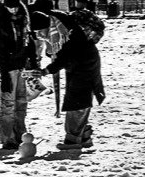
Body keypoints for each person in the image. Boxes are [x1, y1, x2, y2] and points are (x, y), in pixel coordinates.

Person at [45, 11, 105, 149]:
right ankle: (84, 135)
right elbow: (63, 55)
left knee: (77, 106)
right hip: (84, 75)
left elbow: (64, 57)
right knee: (79, 104)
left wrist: (47, 70)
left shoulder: (76, 40)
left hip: (82, 75)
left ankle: (73, 139)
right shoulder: (76, 37)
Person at [0, 0, 37, 149]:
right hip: (9, 67)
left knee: (21, 102)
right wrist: (4, 74)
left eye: (15, 5)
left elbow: (29, 40)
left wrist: (32, 60)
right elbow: (0, 50)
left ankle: (20, 133)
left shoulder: (23, 19)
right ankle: (7, 137)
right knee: (8, 103)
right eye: (9, 6)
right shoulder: (1, 23)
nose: (13, 9)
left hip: (22, 65)